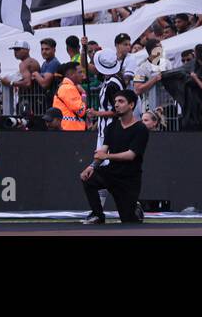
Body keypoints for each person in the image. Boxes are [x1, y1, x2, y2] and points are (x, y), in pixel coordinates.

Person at [80, 90, 150, 224]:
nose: (116, 104)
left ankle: (135, 208)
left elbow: (131, 155)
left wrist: (106, 156)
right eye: (115, 102)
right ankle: (98, 215)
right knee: (88, 178)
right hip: (111, 173)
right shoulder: (111, 127)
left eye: (121, 101)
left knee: (129, 221)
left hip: (129, 179)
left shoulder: (141, 129)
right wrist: (91, 166)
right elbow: (103, 150)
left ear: (131, 105)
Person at [89, 51, 125, 147]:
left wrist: (96, 113)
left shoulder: (112, 85)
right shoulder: (110, 77)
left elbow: (118, 111)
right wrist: (83, 48)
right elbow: (87, 66)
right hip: (106, 128)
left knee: (107, 159)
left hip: (110, 129)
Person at [52, 62, 88, 130]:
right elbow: (81, 111)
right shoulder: (69, 88)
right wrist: (83, 93)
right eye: (80, 72)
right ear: (72, 74)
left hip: (68, 129)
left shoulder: (65, 87)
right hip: (70, 130)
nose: (83, 75)